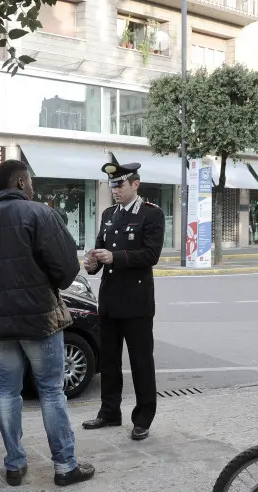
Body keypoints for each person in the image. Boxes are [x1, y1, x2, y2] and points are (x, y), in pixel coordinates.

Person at [0, 159, 94, 487]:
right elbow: (66, 271)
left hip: (0, 327)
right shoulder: (39, 214)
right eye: (31, 181)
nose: (33, 187)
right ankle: (65, 466)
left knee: (7, 391)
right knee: (51, 391)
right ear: (21, 183)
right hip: (39, 320)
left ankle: (14, 464)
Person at [81, 153, 165, 441]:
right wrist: (93, 262)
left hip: (137, 302)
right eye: (112, 186)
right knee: (109, 361)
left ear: (135, 185)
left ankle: (143, 417)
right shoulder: (108, 215)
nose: (115, 191)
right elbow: (100, 250)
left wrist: (113, 256)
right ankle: (109, 411)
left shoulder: (151, 214)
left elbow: (150, 255)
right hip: (110, 300)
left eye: (119, 186)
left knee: (142, 362)